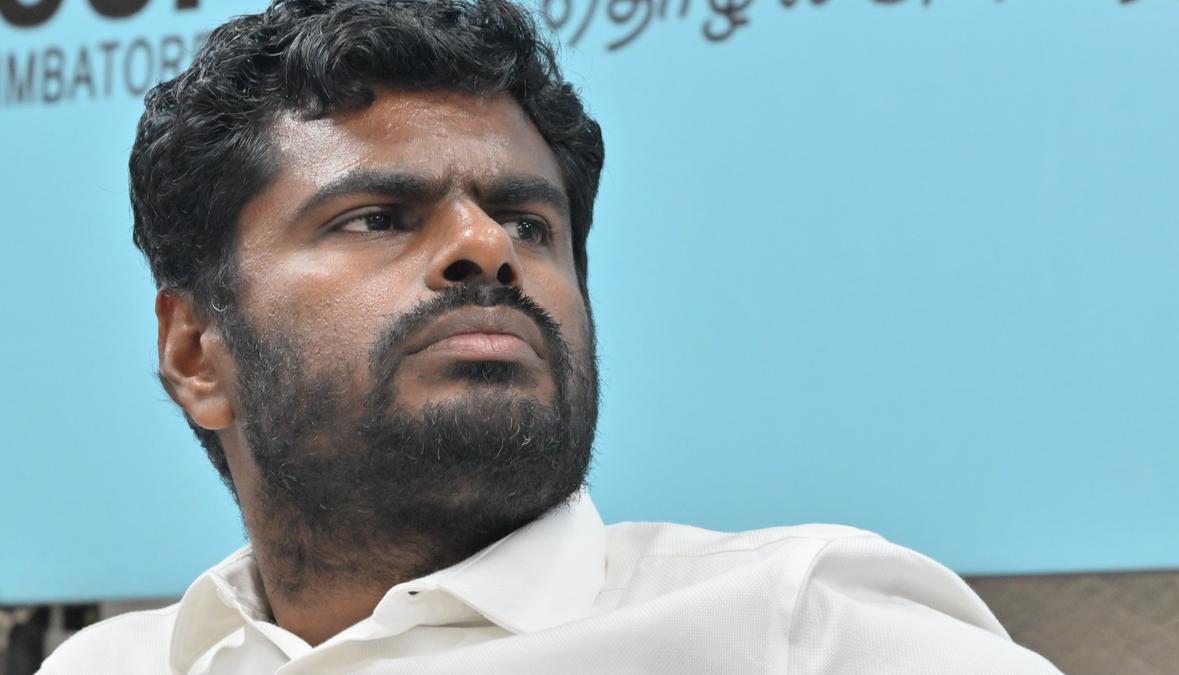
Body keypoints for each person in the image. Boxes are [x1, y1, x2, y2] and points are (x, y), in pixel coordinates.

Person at [41, 0, 1061, 672]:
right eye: (379, 217)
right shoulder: (107, 665)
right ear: (196, 354)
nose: (487, 249)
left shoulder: (802, 627)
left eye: (530, 223)